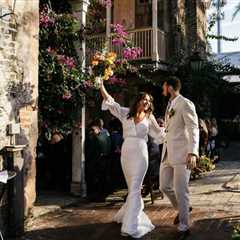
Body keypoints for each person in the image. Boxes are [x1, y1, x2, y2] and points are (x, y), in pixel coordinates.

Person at [99, 81, 165, 238]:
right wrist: (101, 85)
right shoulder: (125, 113)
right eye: (145, 99)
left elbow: (160, 135)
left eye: (149, 101)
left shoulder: (150, 118)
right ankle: (129, 214)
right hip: (126, 153)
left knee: (136, 187)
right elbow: (111, 102)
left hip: (141, 154)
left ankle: (132, 225)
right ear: (138, 100)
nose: (147, 102)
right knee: (131, 188)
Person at [159, 76, 199, 239]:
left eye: (164, 86)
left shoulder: (185, 103)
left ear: (169, 87)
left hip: (183, 154)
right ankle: (184, 208)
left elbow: (193, 128)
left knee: (181, 191)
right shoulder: (170, 105)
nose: (162, 89)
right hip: (167, 153)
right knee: (164, 186)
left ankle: (184, 226)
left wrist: (193, 152)